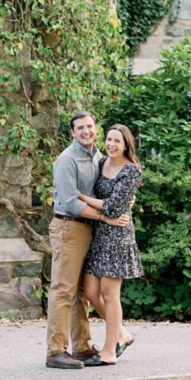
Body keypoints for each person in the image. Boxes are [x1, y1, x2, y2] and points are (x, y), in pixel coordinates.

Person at [46, 111, 129, 371]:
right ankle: (56, 351)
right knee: (63, 289)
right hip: (69, 227)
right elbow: (71, 202)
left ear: (96, 128)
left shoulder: (97, 156)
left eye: (90, 126)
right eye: (80, 128)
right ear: (72, 132)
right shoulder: (67, 160)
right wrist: (106, 218)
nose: (86, 131)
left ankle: (82, 347)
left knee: (81, 292)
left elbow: (111, 186)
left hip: (89, 228)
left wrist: (127, 200)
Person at [77, 124, 143, 367]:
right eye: (109, 139)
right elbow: (107, 201)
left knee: (109, 293)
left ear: (126, 145)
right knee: (90, 291)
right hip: (98, 233)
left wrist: (81, 197)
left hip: (117, 236)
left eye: (117, 141)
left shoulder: (131, 171)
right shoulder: (102, 162)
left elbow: (114, 208)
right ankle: (122, 334)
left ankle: (109, 351)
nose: (112, 144)